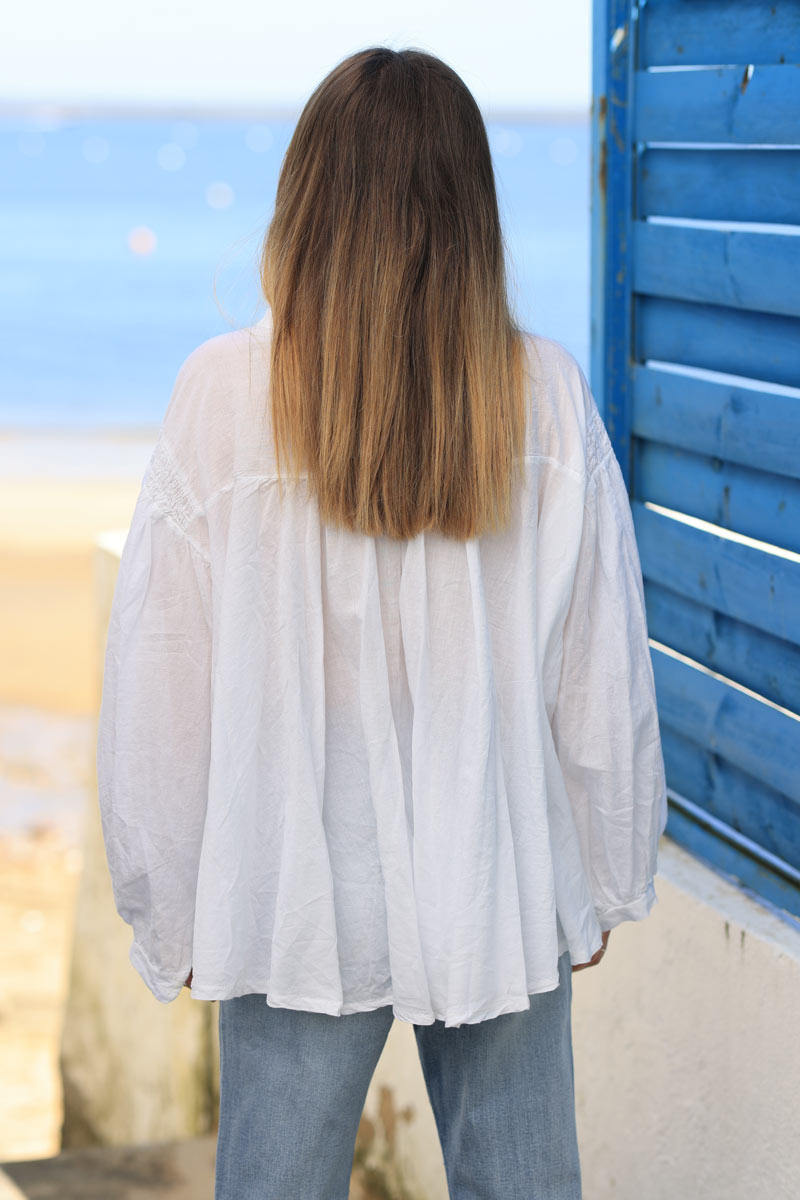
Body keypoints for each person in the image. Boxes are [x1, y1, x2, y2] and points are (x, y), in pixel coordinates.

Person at [96, 46, 668, 1200]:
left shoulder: (222, 395)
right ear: (471, 213)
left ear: (304, 198)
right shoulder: (542, 394)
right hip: (494, 866)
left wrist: (166, 898)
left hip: (288, 885)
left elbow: (161, 675)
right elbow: (599, 668)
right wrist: (603, 863)